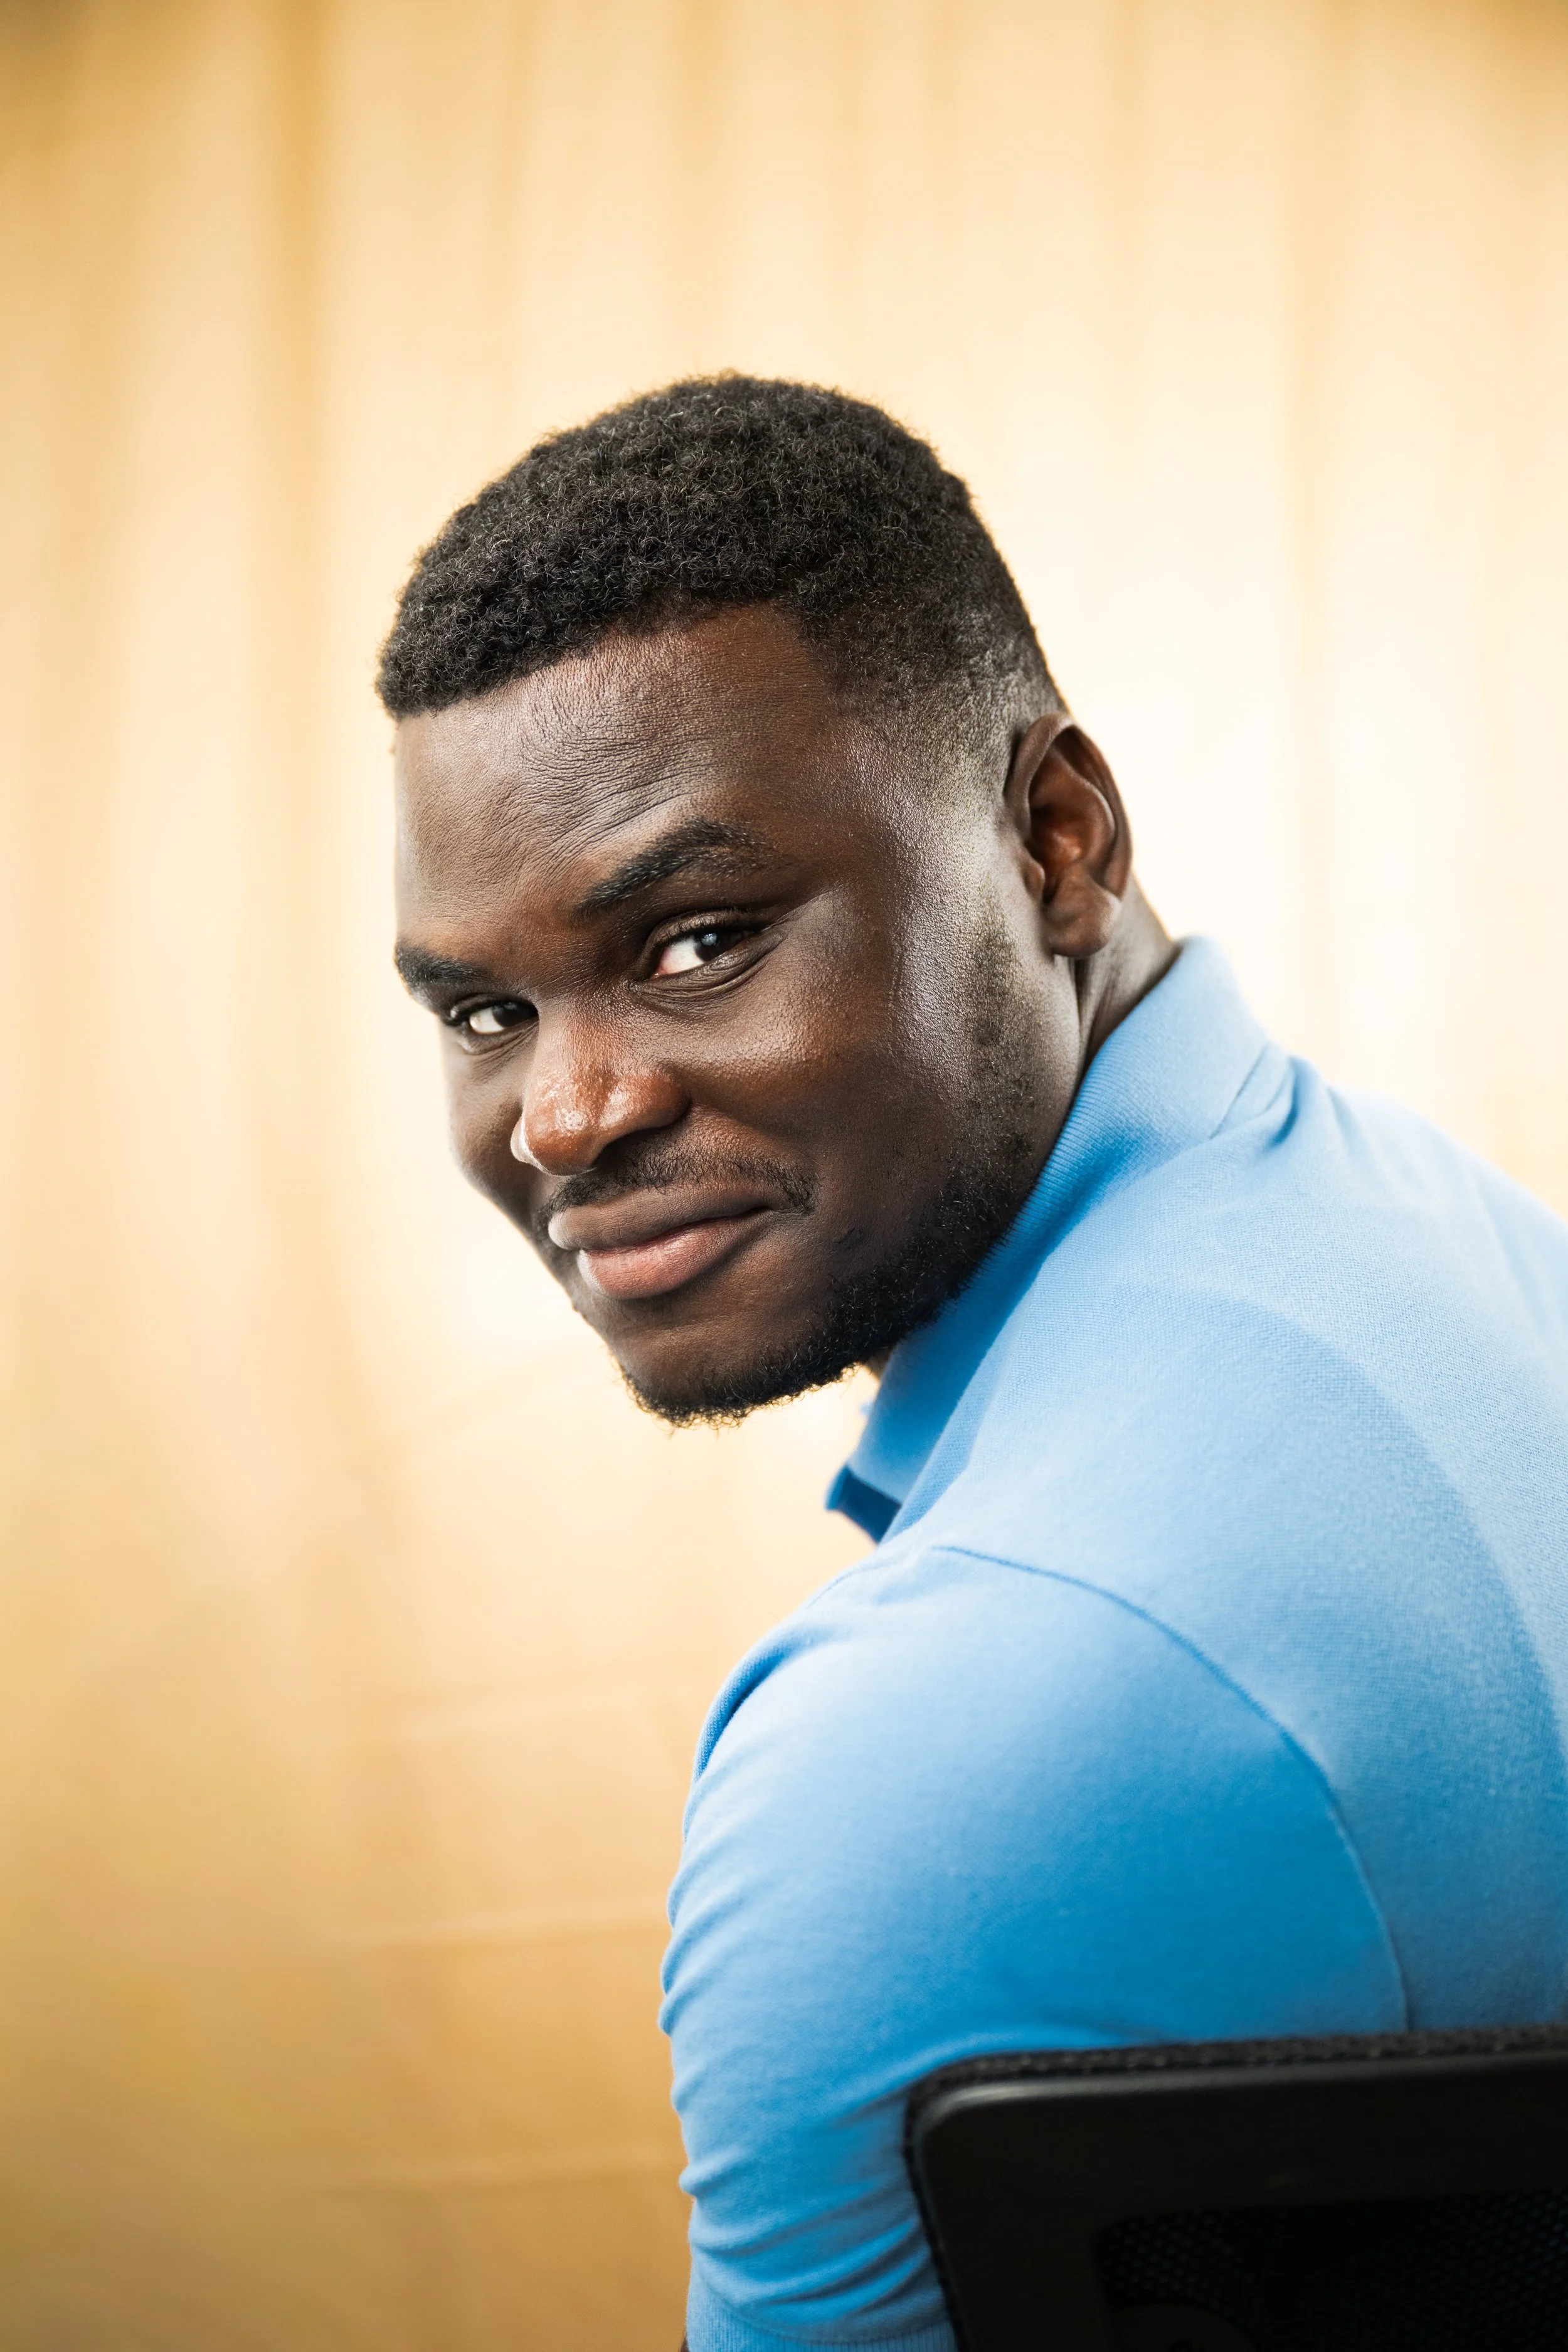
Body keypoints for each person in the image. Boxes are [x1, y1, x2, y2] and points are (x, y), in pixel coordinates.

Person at [383, 377, 1568, 2352]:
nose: (566, 1114)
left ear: (1055, 840)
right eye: (487, 1006)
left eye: (695, 939)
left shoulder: (924, 1742)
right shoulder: (1469, 1238)